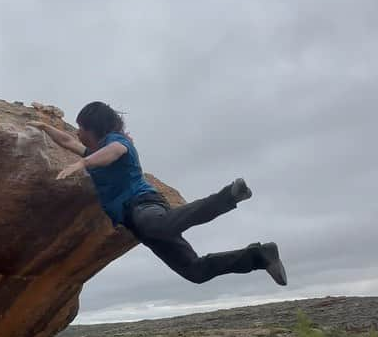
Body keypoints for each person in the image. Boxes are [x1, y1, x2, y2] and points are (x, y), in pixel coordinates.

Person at [37, 101, 287, 287]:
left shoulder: (117, 141)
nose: (78, 132)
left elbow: (114, 152)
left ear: (95, 128)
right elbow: (69, 142)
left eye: (81, 127)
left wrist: (83, 164)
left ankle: (229, 196)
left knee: (159, 226)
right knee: (195, 272)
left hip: (143, 205)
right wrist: (42, 126)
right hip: (138, 223)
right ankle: (259, 255)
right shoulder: (94, 148)